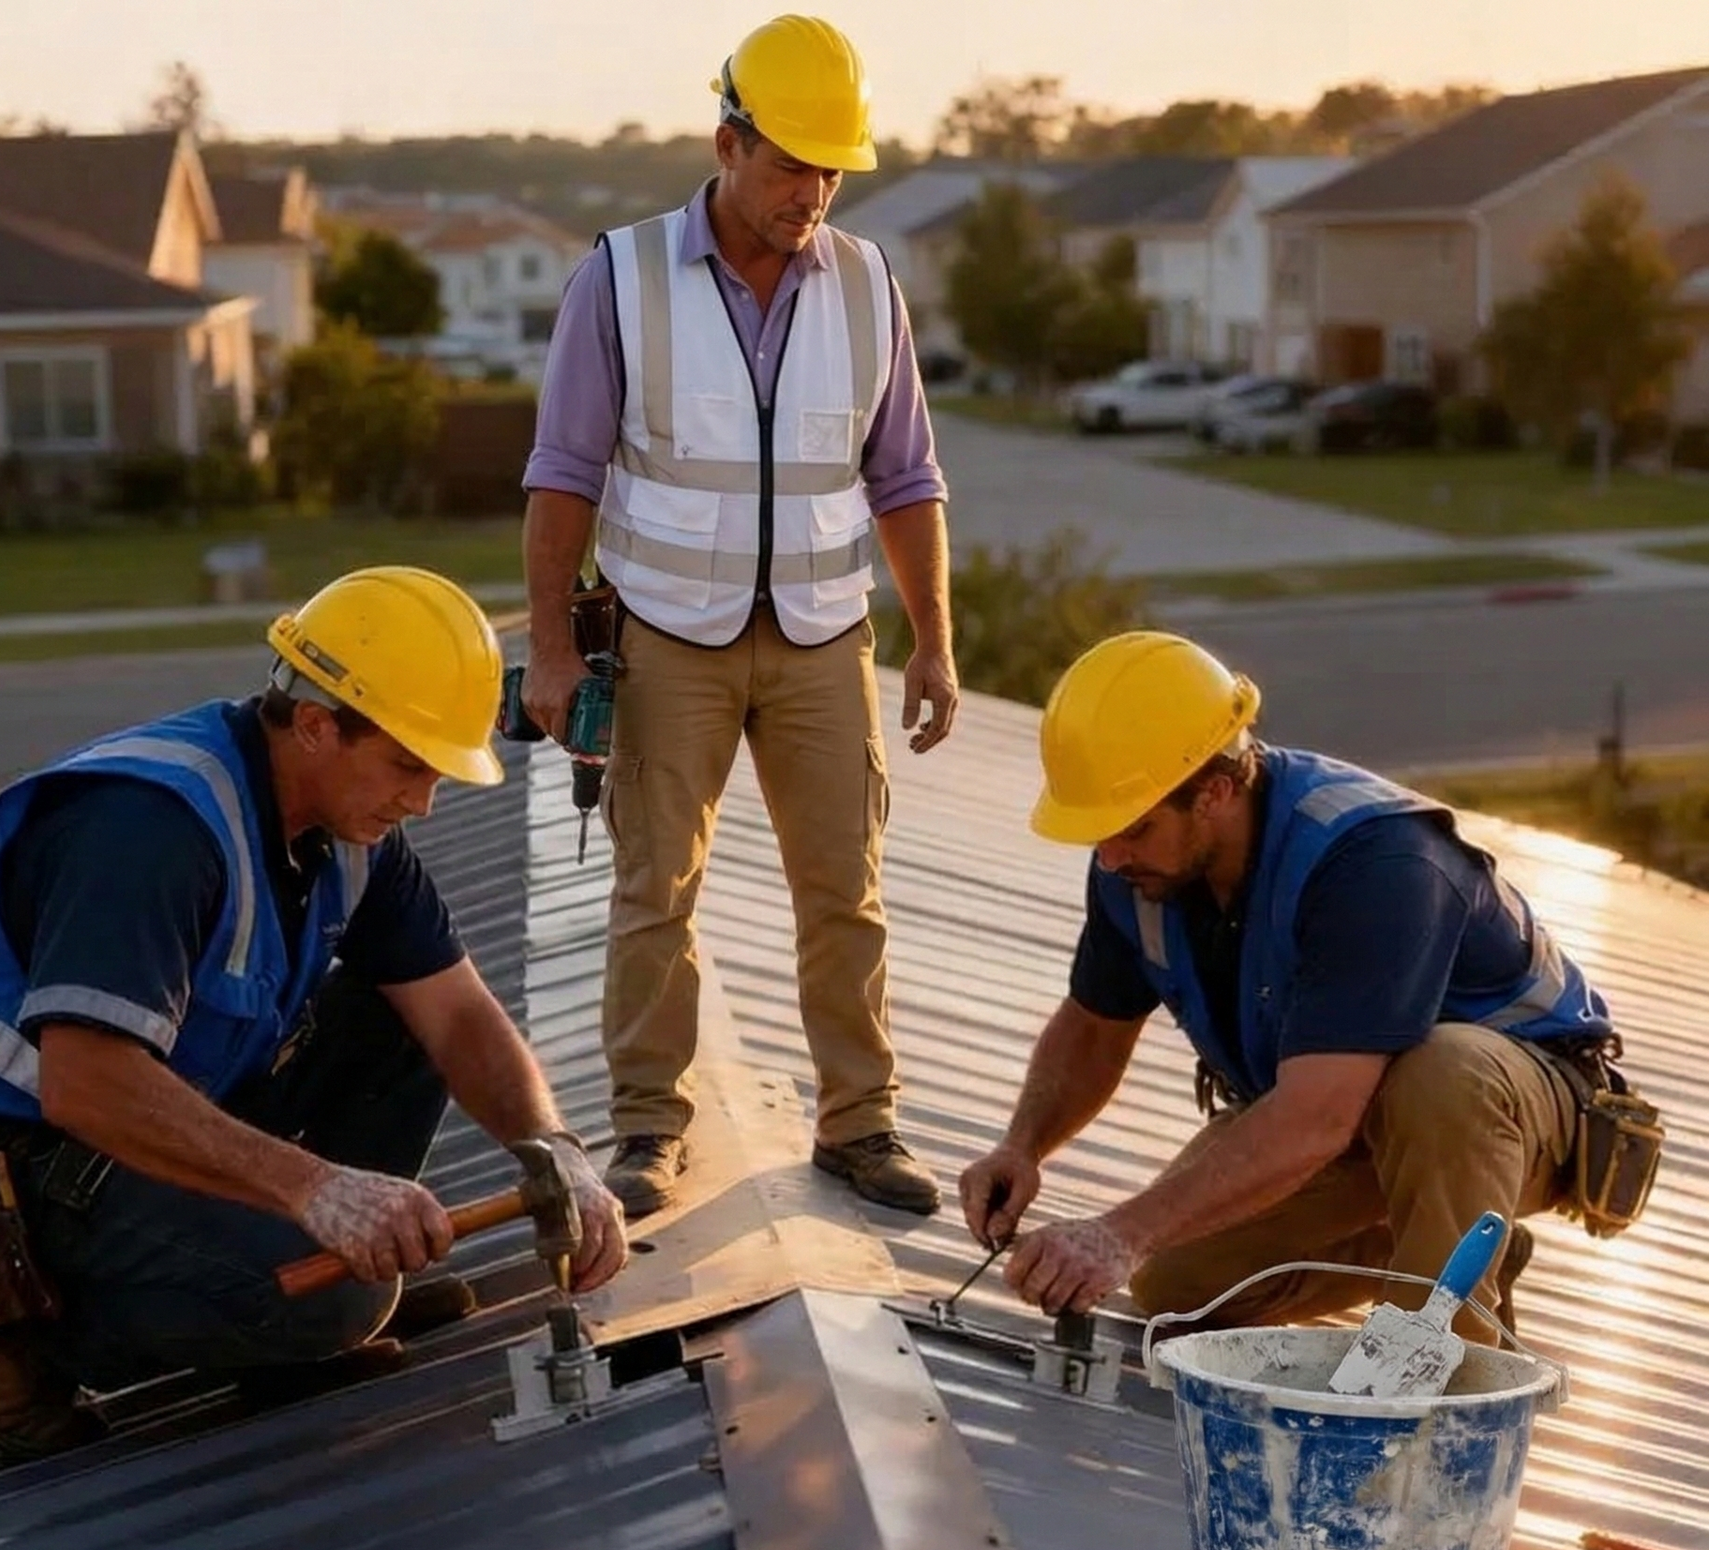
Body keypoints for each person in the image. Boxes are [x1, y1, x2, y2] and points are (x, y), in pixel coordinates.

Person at [0, 567, 627, 1459]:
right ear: (314, 725)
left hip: (135, 1127)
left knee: (403, 1022)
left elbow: (457, 1014)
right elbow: (87, 1085)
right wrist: (317, 1190)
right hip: (14, 1169)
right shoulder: (148, 829)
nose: (421, 801)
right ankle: (24, 1335)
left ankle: (307, 1293)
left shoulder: (350, 829)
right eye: (408, 766)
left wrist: (558, 1151)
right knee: (339, 1301)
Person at [521, 13, 960, 1221]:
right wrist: (552, 650)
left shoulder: (869, 285)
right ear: (726, 142)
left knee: (846, 890)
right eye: (788, 166)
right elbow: (562, 471)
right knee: (657, 890)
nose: (810, 193)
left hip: (825, 638)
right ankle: (649, 1130)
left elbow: (906, 476)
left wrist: (933, 638)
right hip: (666, 636)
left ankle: (862, 1127)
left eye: (831, 169)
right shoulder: (620, 277)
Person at [960, 630, 1645, 1342]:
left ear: (1216, 791)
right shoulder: (1140, 870)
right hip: (1355, 1110)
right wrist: (1022, 1147)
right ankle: (1451, 1253)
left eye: (1131, 828)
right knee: (1176, 1281)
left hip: (1509, 1110)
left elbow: (1317, 1117)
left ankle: (1436, 1363)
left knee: (1444, 1072)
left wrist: (1119, 1230)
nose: (1108, 855)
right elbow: (1095, 1027)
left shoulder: (1376, 863)